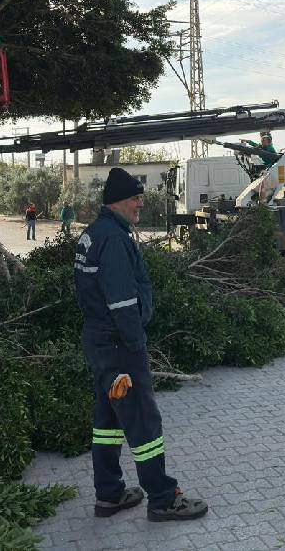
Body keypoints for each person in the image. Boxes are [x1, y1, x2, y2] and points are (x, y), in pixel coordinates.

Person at [73, 168, 208, 522]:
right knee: (143, 422)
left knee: (107, 421)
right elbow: (121, 302)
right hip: (120, 346)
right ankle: (163, 499)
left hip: (101, 344)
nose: (139, 205)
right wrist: (135, 346)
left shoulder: (94, 234)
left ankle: (110, 495)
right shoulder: (115, 240)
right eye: (135, 198)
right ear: (118, 201)